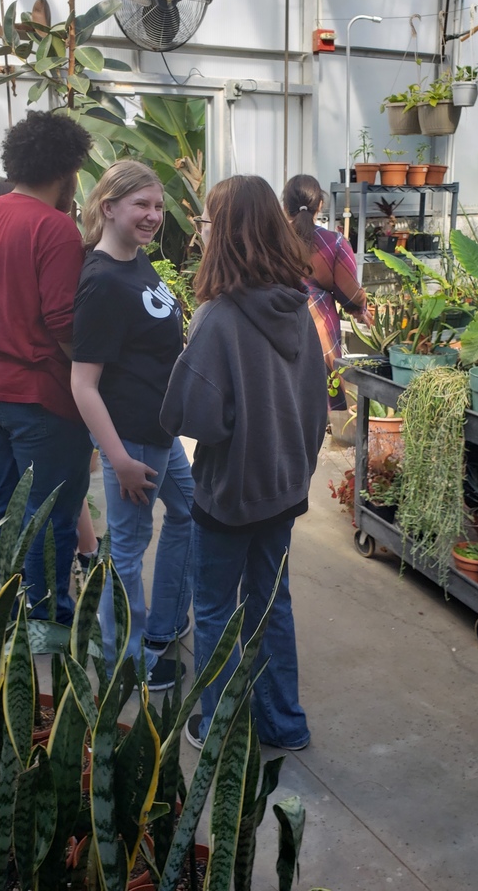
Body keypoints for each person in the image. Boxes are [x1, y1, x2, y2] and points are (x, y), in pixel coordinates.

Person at [160, 174, 327, 750]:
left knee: (213, 610)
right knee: (270, 602)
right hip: (283, 487)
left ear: (223, 232)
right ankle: (285, 724)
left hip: (228, 493)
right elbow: (315, 403)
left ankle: (222, 729)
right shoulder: (297, 308)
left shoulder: (218, 318)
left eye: (207, 221)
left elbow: (197, 418)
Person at [0, 111, 93, 625]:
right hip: (40, 398)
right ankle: (47, 616)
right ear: (68, 168)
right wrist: (96, 380)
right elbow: (63, 322)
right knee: (48, 513)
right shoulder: (54, 229)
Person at [71, 161, 194, 692]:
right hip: (133, 438)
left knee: (190, 513)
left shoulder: (138, 262)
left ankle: (162, 624)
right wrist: (117, 457)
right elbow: (83, 384)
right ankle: (127, 659)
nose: (152, 215)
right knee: (126, 549)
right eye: (141, 205)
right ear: (110, 208)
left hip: (161, 431)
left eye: (158, 206)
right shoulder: (101, 281)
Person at [281, 173, 371, 413]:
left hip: (276, 325)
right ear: (320, 205)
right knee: (321, 401)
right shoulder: (335, 242)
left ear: (283, 205)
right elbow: (349, 293)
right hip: (321, 333)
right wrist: (360, 309)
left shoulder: (271, 241)